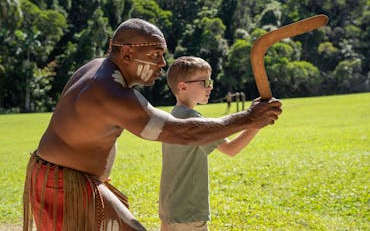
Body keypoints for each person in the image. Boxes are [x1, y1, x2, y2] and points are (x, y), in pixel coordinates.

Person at [23, 18, 282, 231]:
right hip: (62, 184)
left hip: (66, 177)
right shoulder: (111, 93)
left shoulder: (96, 68)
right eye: (155, 55)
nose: (161, 64)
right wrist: (248, 118)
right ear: (127, 53)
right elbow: (182, 132)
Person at [159, 56, 271, 231]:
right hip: (189, 210)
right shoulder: (192, 119)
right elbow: (231, 149)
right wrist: (257, 123)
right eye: (204, 82)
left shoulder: (173, 116)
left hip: (170, 207)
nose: (210, 86)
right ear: (183, 87)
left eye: (210, 81)